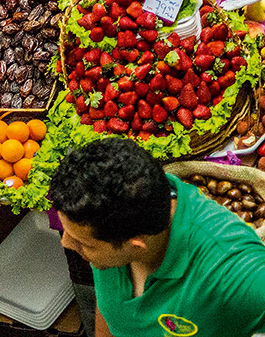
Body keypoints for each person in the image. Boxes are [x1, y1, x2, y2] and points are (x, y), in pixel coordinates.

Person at [50, 137, 265, 337]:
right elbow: (110, 303)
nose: (65, 243)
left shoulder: (233, 271)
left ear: (136, 246)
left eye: (81, 243)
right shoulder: (112, 215)